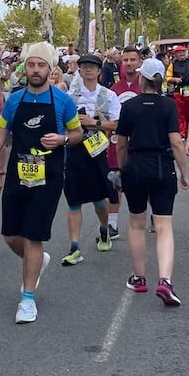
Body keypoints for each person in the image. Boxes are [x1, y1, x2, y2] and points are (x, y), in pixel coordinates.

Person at [0, 42, 82, 324]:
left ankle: (27, 299)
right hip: (19, 172)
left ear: (50, 69)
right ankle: (38, 260)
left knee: (33, 236)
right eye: (31, 65)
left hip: (50, 174)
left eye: (41, 65)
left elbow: (77, 133)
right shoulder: (15, 100)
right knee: (10, 235)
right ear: (25, 67)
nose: (35, 70)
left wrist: (62, 139)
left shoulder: (62, 101)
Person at [116, 57, 189, 305]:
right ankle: (165, 280)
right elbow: (176, 142)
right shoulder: (169, 106)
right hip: (162, 166)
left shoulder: (129, 106)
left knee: (136, 223)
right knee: (163, 226)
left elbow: (121, 143)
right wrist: (184, 173)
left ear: (142, 78)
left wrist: (121, 168)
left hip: (135, 166)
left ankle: (139, 278)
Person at [60, 53, 121, 263]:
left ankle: (104, 228)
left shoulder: (108, 95)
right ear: (79, 70)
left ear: (99, 71)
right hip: (74, 151)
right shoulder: (70, 96)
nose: (88, 70)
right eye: (84, 67)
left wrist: (93, 123)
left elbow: (117, 124)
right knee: (73, 201)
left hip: (98, 152)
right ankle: (74, 247)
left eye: (92, 67)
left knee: (98, 200)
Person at [105, 46, 145, 239]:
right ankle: (112, 223)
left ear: (139, 62)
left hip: (141, 141)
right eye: (125, 60)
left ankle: (153, 214)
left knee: (144, 180)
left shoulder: (146, 86)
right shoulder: (114, 88)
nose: (129, 63)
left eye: (132, 60)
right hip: (117, 140)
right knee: (116, 179)